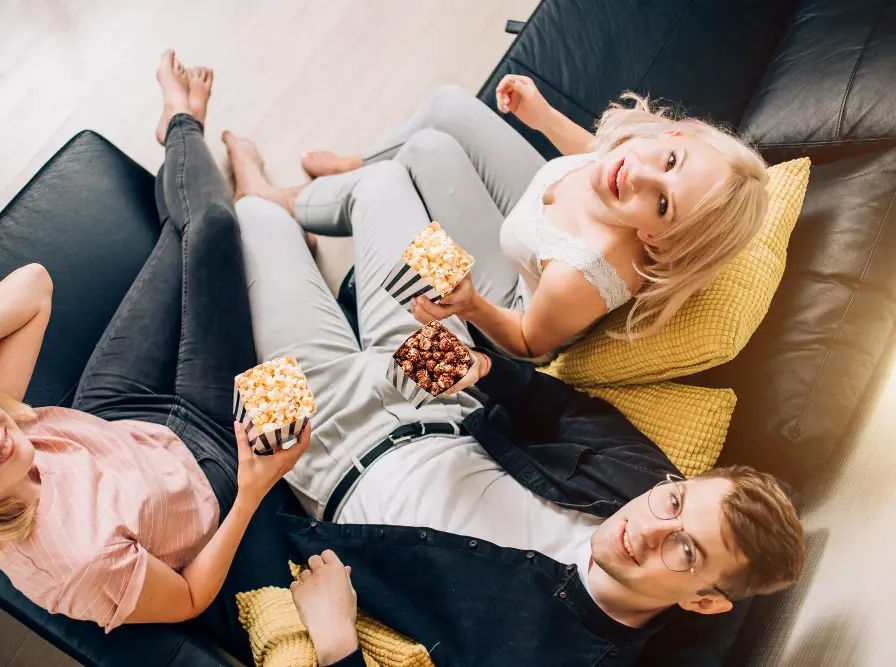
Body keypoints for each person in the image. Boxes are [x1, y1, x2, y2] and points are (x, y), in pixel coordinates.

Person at [218, 132, 804, 666]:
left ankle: (262, 203)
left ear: (703, 603)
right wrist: (479, 366)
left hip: (320, 454)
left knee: (252, 220)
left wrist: (340, 646)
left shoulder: (569, 655)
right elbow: (564, 410)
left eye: (684, 551)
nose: (648, 527)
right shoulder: (650, 480)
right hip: (437, 394)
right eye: (674, 504)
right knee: (385, 181)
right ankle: (287, 202)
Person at [0, 50, 314, 656]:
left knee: (194, 231)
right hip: (210, 459)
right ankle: (184, 126)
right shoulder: (77, 563)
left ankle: (180, 127)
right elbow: (192, 596)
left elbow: (34, 285)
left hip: (118, 414)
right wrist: (251, 491)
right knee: (216, 228)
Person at [250, 79, 770, 357]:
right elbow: (595, 153)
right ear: (673, 136)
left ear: (655, 239)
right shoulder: (630, 157)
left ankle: (282, 200)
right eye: (669, 163)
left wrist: (473, 304)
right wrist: (540, 116)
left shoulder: (579, 276)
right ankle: (354, 164)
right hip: (537, 208)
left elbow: (528, 343)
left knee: (425, 153)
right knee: (449, 105)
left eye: (661, 204)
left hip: (509, 287)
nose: (637, 177)